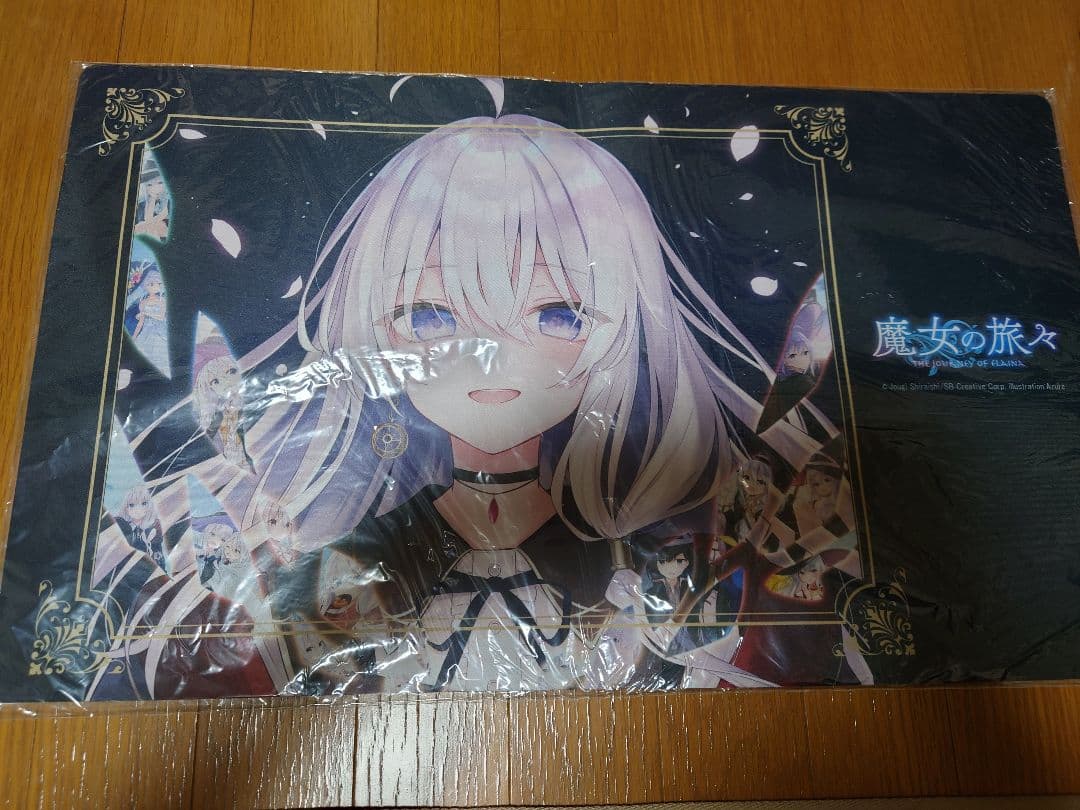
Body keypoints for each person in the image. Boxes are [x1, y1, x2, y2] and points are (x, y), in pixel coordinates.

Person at [114, 484, 167, 571]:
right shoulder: (122, 526)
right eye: (131, 505)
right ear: (126, 508)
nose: (137, 509)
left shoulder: (154, 528)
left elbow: (159, 558)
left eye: (143, 504)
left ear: (149, 506)